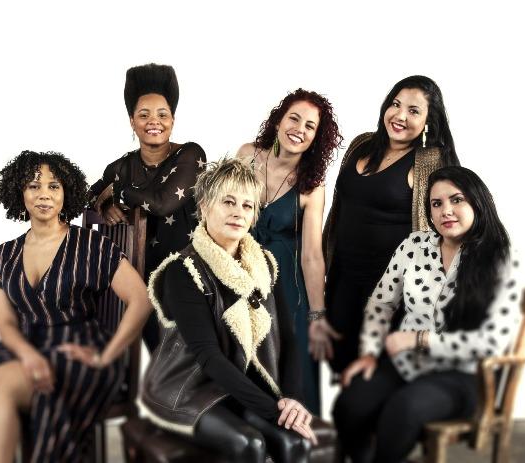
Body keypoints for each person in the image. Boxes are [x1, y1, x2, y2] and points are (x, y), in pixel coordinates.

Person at [0, 151, 151, 463]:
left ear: (66, 192)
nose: (43, 194)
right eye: (33, 186)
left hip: (79, 348)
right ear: (19, 192)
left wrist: (108, 355)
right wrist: (28, 355)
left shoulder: (91, 245)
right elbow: (5, 324)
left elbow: (141, 300)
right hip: (27, 345)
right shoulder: (5, 255)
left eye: (53, 186)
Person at [332, 166, 523, 463]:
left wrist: (420, 339)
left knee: (402, 410)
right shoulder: (414, 246)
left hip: (465, 376)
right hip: (406, 366)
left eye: (456, 200)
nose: (446, 210)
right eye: (437, 204)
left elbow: (492, 342)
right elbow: (381, 303)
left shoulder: (499, 258)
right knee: (350, 405)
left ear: (478, 202)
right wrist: (370, 353)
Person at [139, 158, 317, 463]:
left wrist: (293, 402)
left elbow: (288, 337)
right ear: (205, 206)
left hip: (241, 382)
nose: (239, 212)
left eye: (248, 206)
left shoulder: (265, 264)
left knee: (295, 443)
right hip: (188, 385)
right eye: (228, 202)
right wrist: (274, 411)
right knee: (249, 444)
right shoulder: (183, 271)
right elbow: (209, 357)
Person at [322, 75, 461, 376]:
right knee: (343, 365)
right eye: (395, 104)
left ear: (428, 121)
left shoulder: (430, 161)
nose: (400, 116)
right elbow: (338, 210)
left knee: (382, 374)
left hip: (390, 293)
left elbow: (455, 218)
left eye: (414, 110)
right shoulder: (361, 145)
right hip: (342, 279)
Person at [237, 88, 343, 415]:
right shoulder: (247, 154)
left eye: (310, 126)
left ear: (316, 138)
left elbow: (312, 254)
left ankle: (297, 442)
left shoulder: (313, 185)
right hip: (243, 275)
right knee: (244, 358)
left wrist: (317, 315)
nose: (299, 128)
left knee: (294, 367)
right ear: (279, 120)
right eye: (294, 118)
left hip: (288, 286)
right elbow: (220, 211)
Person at [89, 63, 206, 352]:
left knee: (186, 367)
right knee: (159, 368)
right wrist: (103, 207)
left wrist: (117, 193)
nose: (154, 121)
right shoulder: (121, 166)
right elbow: (85, 198)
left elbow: (164, 203)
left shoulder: (190, 154)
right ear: (132, 121)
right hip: (137, 284)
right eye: (144, 114)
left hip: (187, 279)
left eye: (162, 114)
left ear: (173, 119)